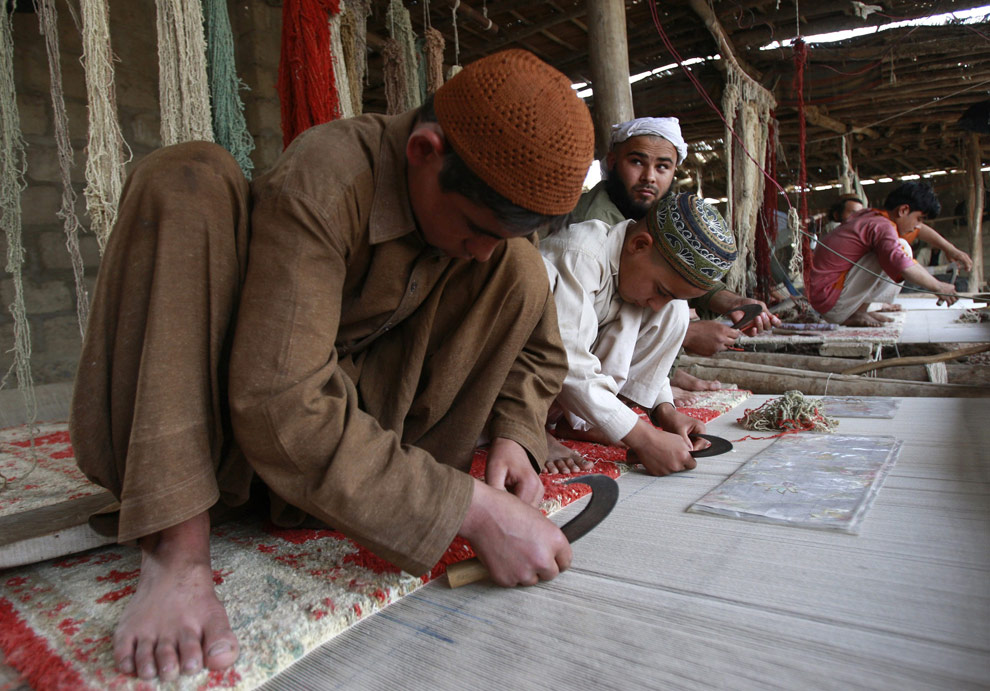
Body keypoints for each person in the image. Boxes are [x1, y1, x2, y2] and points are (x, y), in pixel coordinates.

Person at [69, 50, 594, 681]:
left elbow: (539, 351)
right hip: (225, 445)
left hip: (343, 469)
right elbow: (277, 399)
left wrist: (516, 435)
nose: (480, 253)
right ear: (425, 151)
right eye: (476, 226)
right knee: (187, 175)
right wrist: (469, 510)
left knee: (519, 270)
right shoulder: (329, 177)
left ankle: (380, 497)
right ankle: (175, 553)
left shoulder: (484, 239)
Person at [572, 117, 779, 402]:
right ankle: (639, 387)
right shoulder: (593, 224)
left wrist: (732, 302)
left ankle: (652, 382)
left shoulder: (656, 213)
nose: (649, 177)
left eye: (662, 167)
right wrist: (687, 335)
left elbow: (674, 271)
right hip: (575, 353)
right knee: (674, 308)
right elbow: (600, 313)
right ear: (612, 162)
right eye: (636, 162)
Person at [541, 192, 738, 476]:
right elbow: (567, 360)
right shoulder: (579, 256)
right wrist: (643, 437)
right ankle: (531, 427)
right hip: (508, 382)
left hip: (556, 389)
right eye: (661, 290)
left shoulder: (634, 273)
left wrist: (664, 411)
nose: (658, 303)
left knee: (675, 311)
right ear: (639, 244)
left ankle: (583, 420)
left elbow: (640, 340)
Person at [808, 181, 969, 326]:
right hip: (831, 304)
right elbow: (903, 265)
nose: (918, 226)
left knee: (900, 251)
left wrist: (949, 249)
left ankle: (860, 310)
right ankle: (856, 312)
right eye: (919, 218)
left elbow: (914, 244)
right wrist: (938, 286)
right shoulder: (883, 226)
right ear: (903, 210)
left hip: (826, 299)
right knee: (901, 249)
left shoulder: (872, 216)